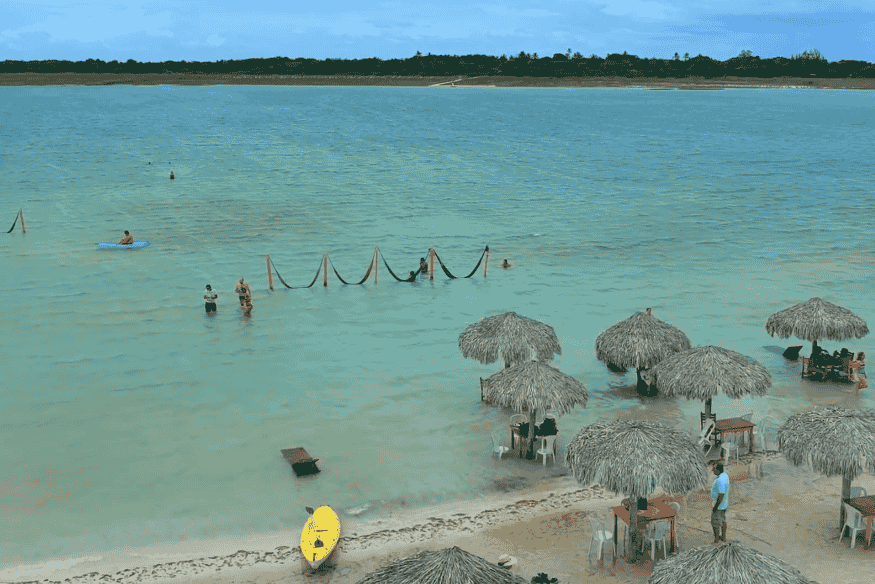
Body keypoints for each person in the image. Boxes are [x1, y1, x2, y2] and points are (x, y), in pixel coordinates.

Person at [711, 463, 729, 544]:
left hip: (719, 505)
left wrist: (715, 507)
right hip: (724, 504)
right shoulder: (725, 476)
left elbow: (721, 495)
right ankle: (723, 538)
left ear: (718, 470)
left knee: (715, 523)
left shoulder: (719, 481)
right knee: (723, 521)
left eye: (714, 469)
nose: (712, 470)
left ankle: (716, 540)